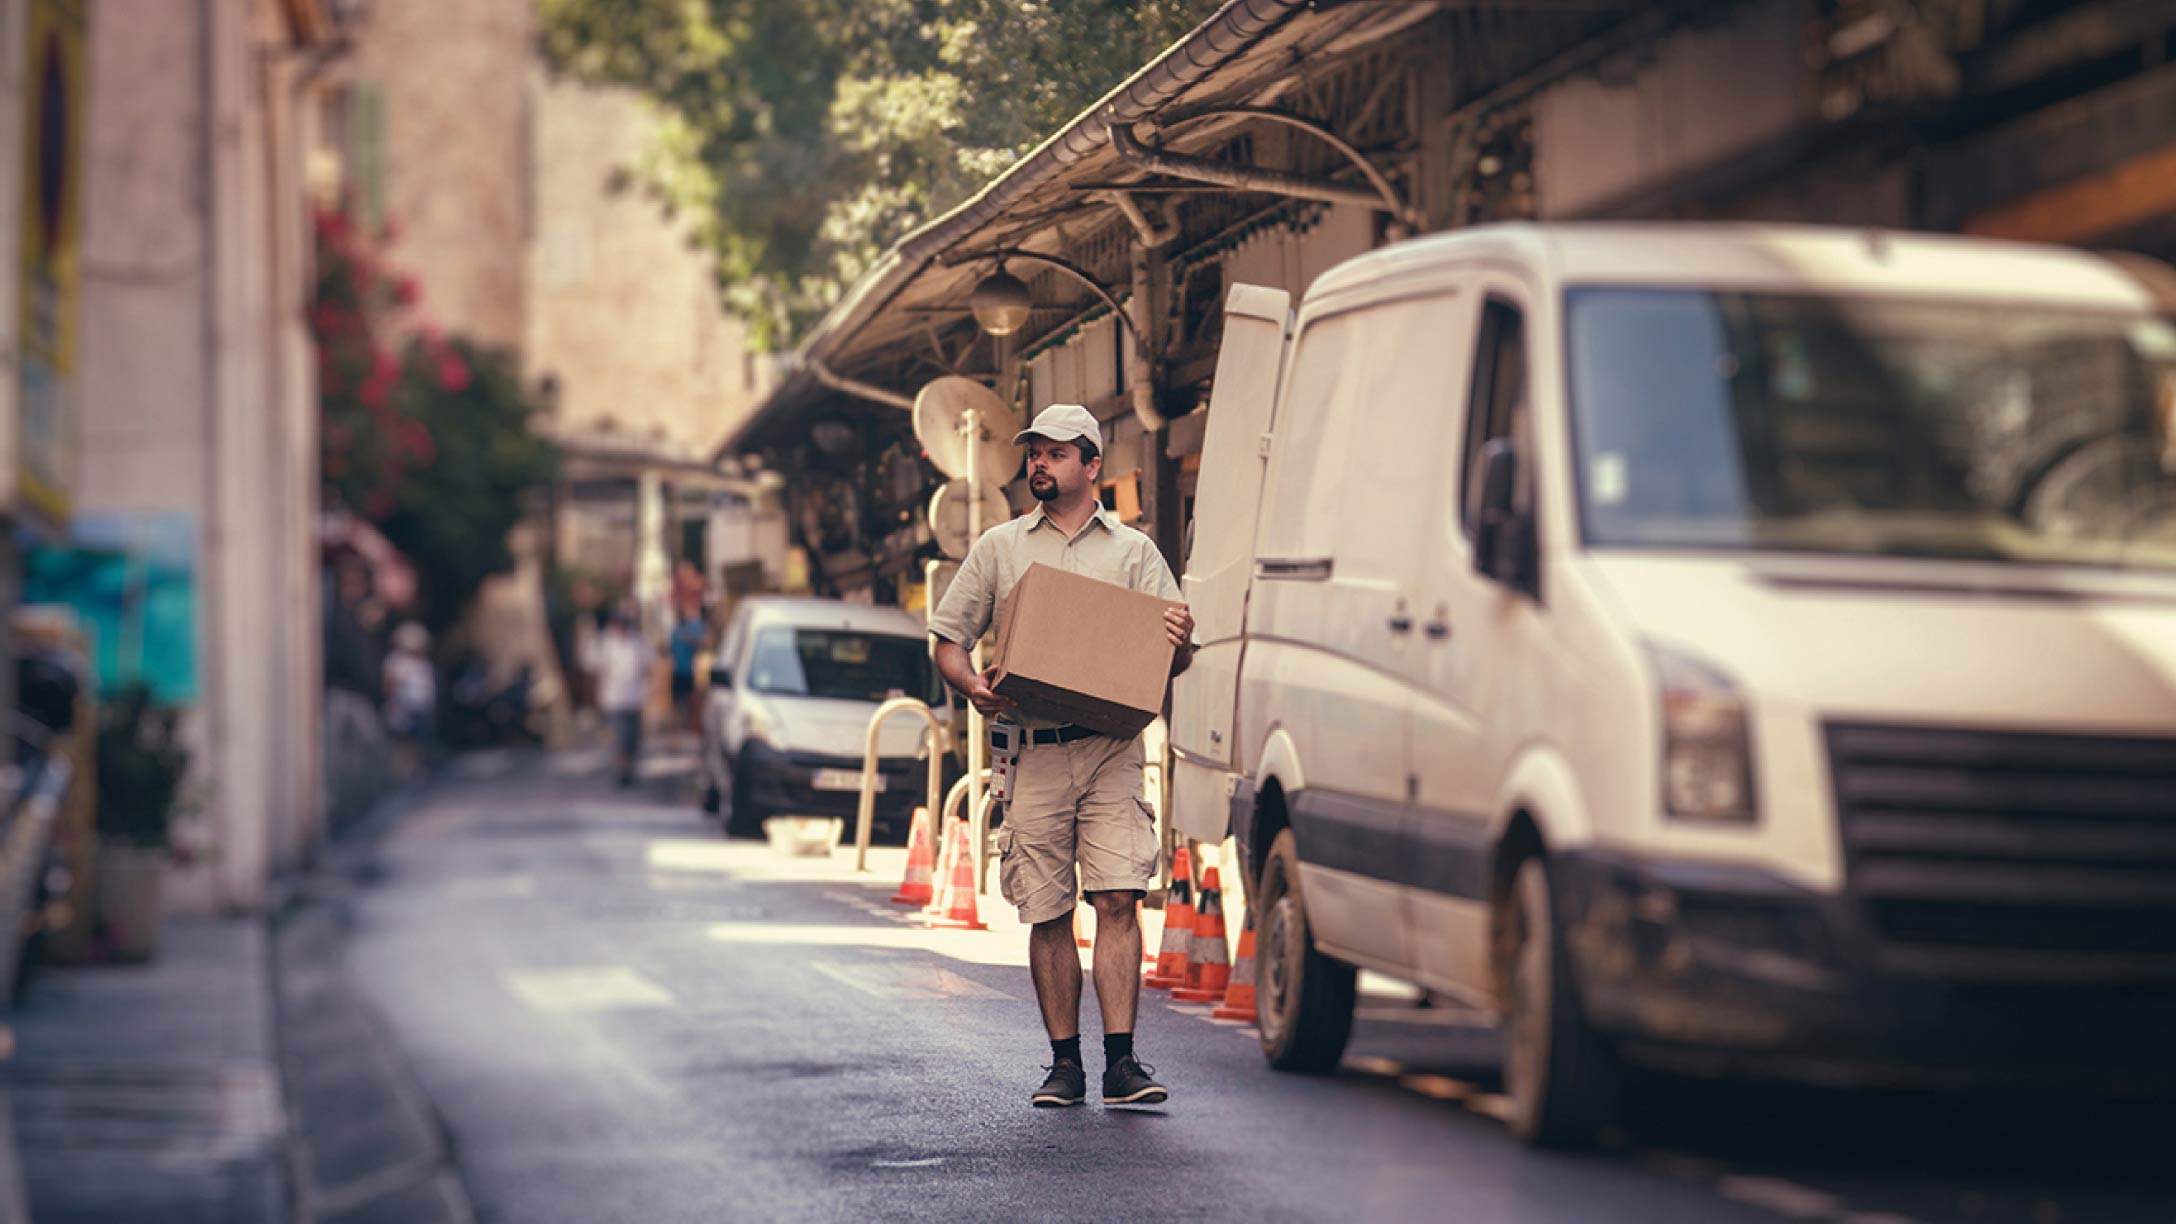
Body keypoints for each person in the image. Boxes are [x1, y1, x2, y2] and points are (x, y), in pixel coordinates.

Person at [927, 402, 1195, 1109]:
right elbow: (949, 640)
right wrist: (972, 686)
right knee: (1047, 909)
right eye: (1034, 453)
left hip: (1111, 749)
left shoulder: (1134, 553)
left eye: (1054, 453)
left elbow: (1174, 657)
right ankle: (1064, 1064)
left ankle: (1122, 1062)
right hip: (1034, 749)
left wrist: (1180, 635)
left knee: (1117, 896)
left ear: (1092, 465)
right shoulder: (1001, 547)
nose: (1038, 464)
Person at [595, 608, 655, 787]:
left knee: (633, 737)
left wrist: (649, 690)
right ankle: (622, 770)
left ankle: (630, 766)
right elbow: (600, 668)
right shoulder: (607, 643)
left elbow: (648, 667)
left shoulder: (638, 643)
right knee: (619, 736)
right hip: (614, 698)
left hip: (635, 698)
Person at [381, 622, 435, 774]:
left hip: (420, 708)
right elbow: (389, 684)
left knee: (418, 741)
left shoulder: (423, 663)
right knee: (403, 742)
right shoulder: (396, 661)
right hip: (403, 708)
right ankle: (401, 770)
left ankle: (415, 768)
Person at [668, 611, 707, 732]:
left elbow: (700, 644)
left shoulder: (690, 632)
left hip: (689, 671)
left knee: (690, 699)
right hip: (678, 671)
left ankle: (689, 723)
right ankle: (680, 724)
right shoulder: (675, 633)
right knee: (678, 700)